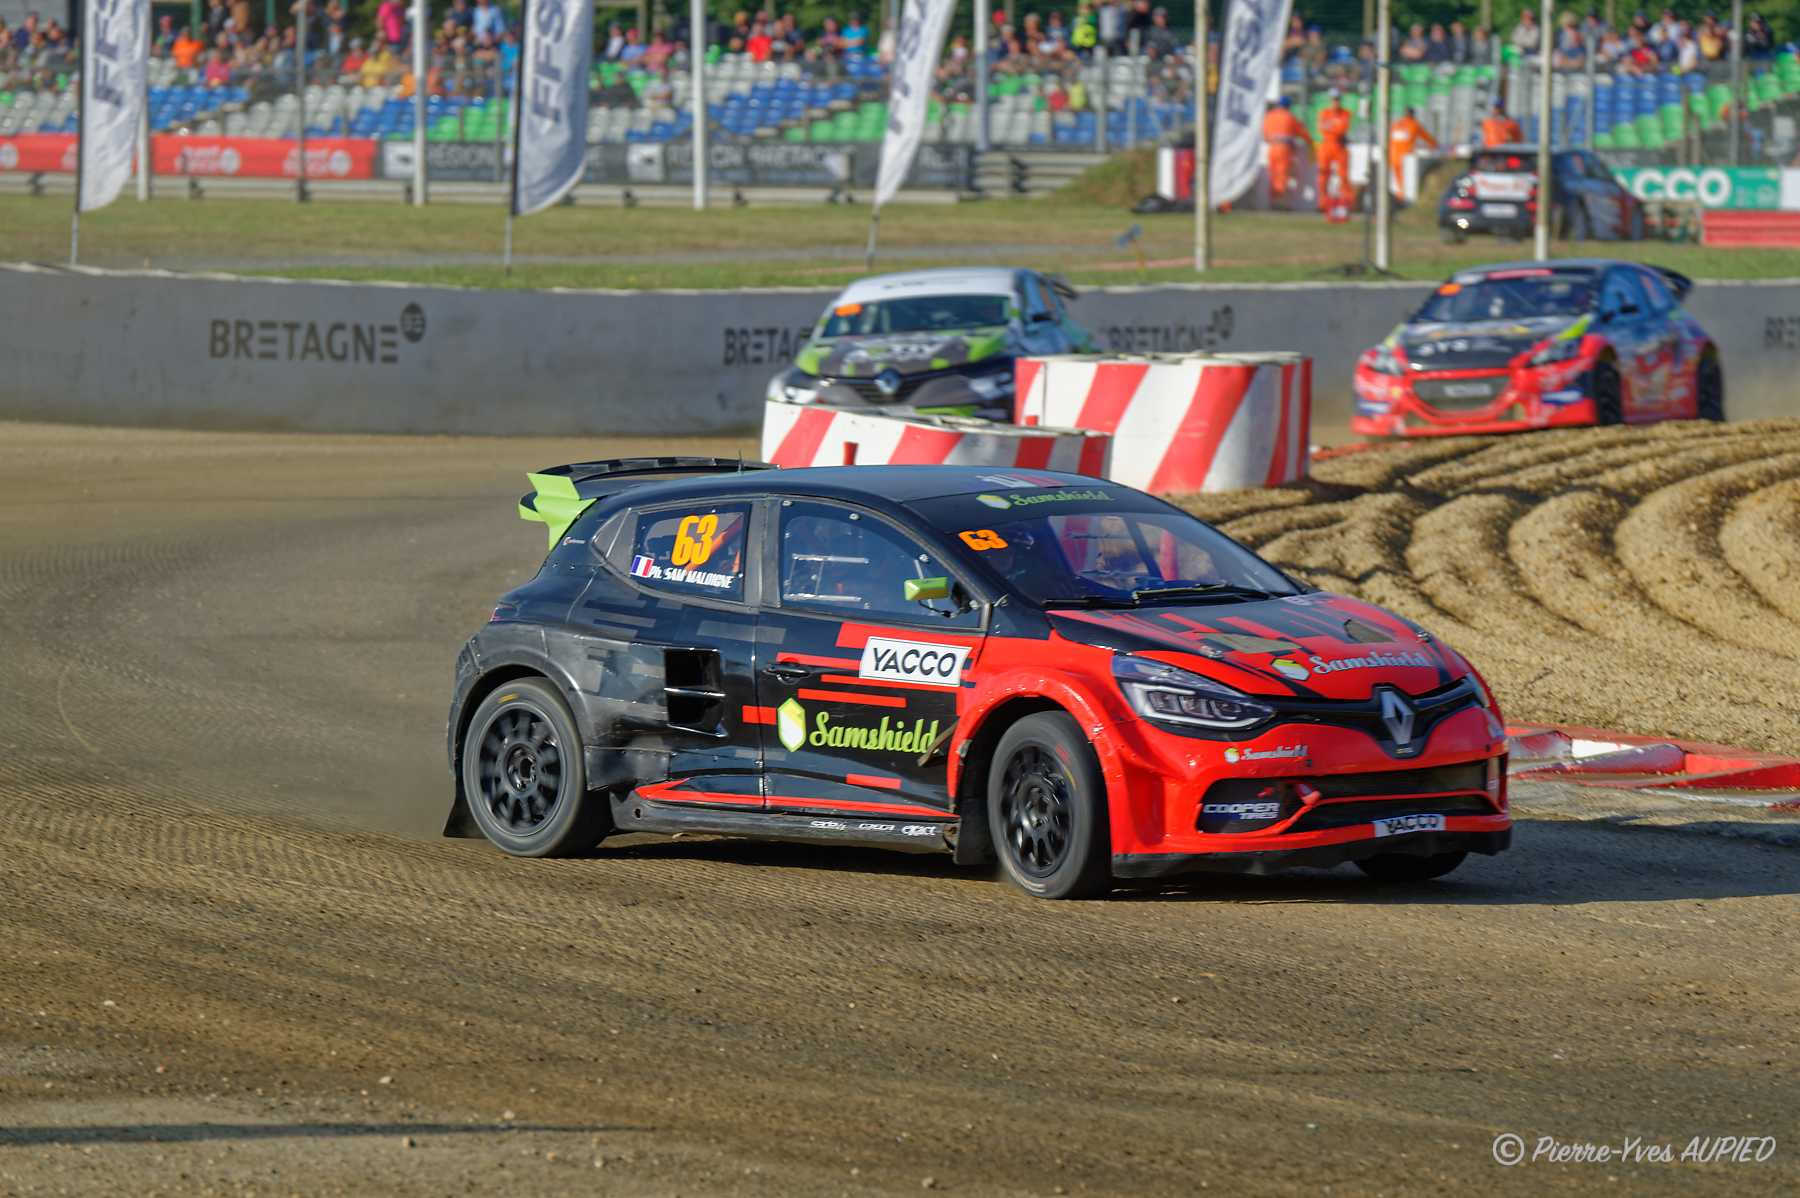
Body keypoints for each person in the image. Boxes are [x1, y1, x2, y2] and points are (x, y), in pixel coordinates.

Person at [1262, 96, 1313, 205]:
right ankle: (1279, 202)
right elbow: (1302, 132)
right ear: (1288, 106)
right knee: (1282, 174)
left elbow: (1265, 134)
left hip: (1272, 148)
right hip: (1284, 149)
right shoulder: (1290, 117)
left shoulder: (1269, 116)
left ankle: (1272, 200)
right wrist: (1310, 142)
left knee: (1273, 174)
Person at [1315, 88, 1351, 211]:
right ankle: (1322, 204)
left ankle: (1346, 203)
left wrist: (1331, 127)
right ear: (1330, 100)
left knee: (1343, 175)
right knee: (1323, 175)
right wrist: (1334, 127)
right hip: (1326, 146)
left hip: (1339, 146)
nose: (1335, 102)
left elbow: (1343, 128)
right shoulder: (1323, 113)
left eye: (1337, 99)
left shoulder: (1345, 113)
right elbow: (1321, 128)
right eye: (1333, 99)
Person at [1388, 106, 1436, 198]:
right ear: (1413, 115)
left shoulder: (1396, 124)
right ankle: (1402, 198)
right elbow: (1426, 137)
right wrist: (1434, 144)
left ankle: (1399, 196)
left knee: (1397, 180)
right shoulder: (1414, 124)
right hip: (1406, 158)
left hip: (1393, 156)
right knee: (1405, 181)